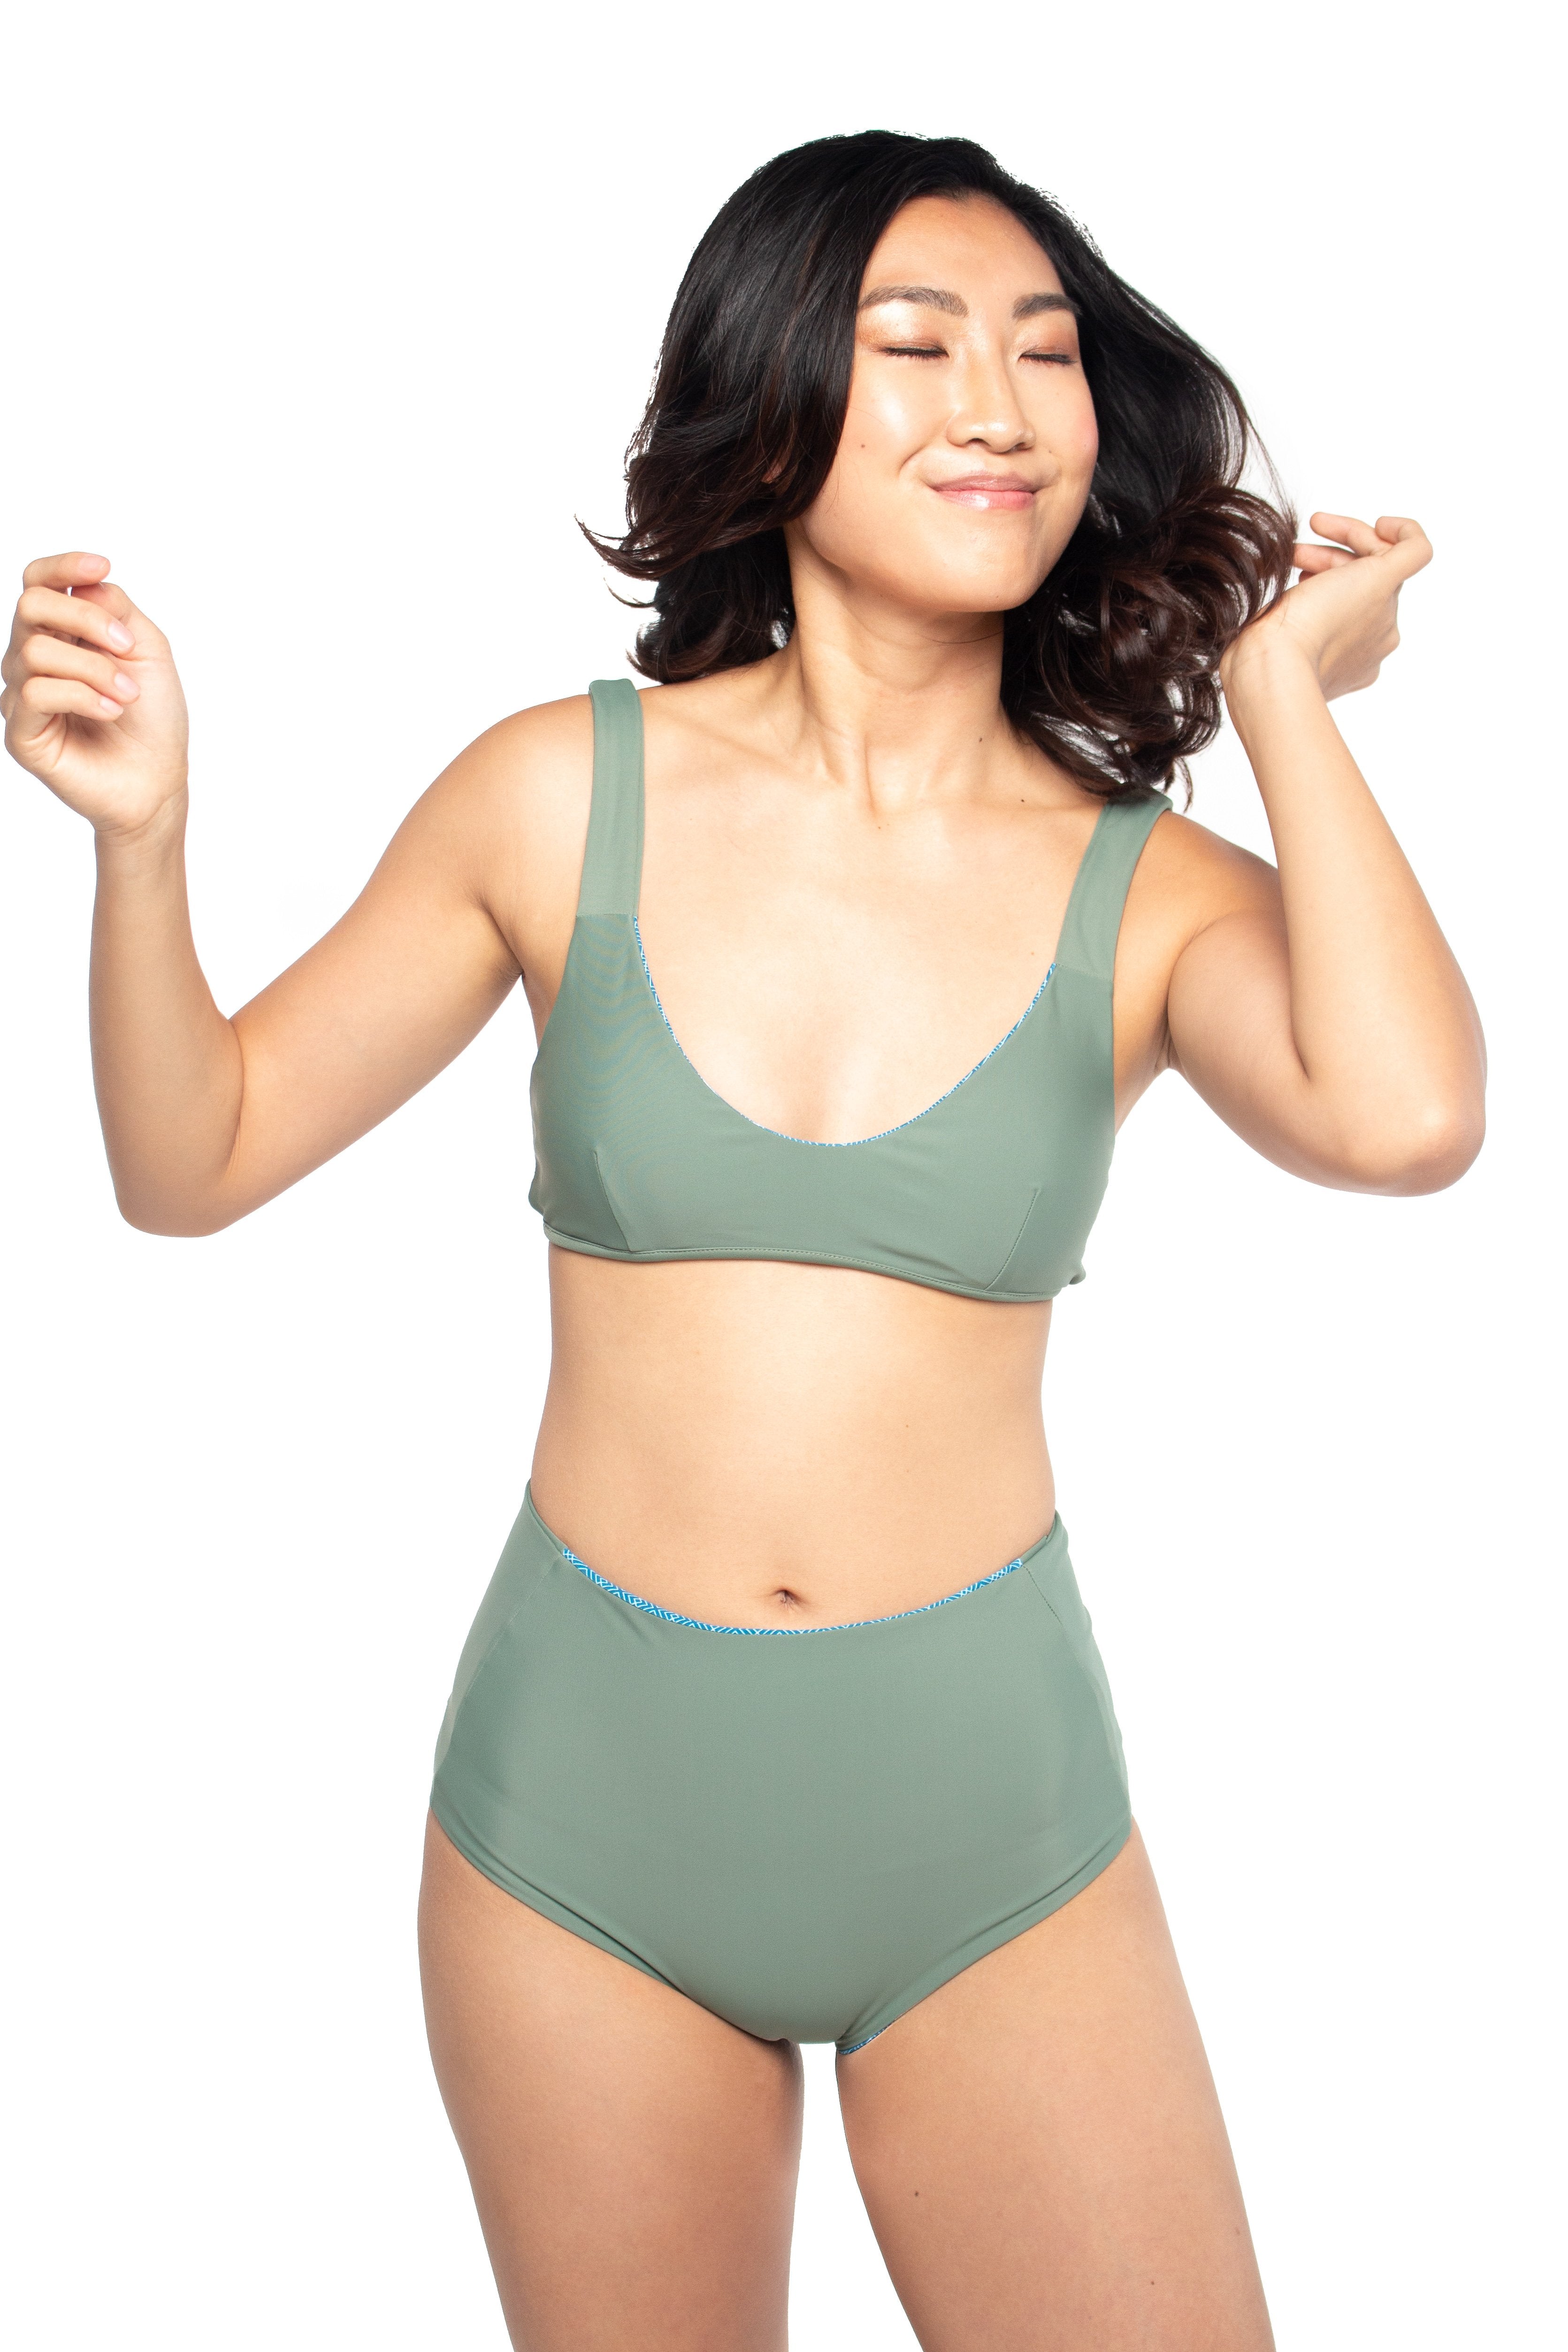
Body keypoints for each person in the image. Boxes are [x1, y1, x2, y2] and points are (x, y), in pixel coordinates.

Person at [3, 129, 1483, 2352]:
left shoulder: (1147, 889)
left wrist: (1275, 701)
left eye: (1045, 353)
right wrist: (144, 845)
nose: (998, 405)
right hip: (579, 1831)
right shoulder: (553, 792)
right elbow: (190, 1156)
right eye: (916, 344)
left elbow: (1407, 1118)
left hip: (989, 1840)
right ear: (773, 392)